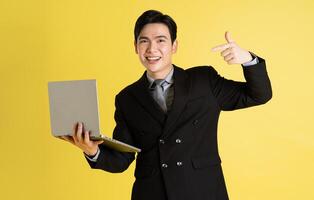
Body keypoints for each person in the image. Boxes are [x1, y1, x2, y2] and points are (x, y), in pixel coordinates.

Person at [61, 10, 272, 200]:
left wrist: (247, 60)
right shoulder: (127, 98)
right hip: (152, 193)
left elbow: (258, 95)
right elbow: (122, 160)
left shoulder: (203, 80)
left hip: (202, 191)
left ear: (174, 46)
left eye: (160, 40)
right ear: (135, 47)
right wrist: (91, 151)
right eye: (144, 41)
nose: (152, 48)